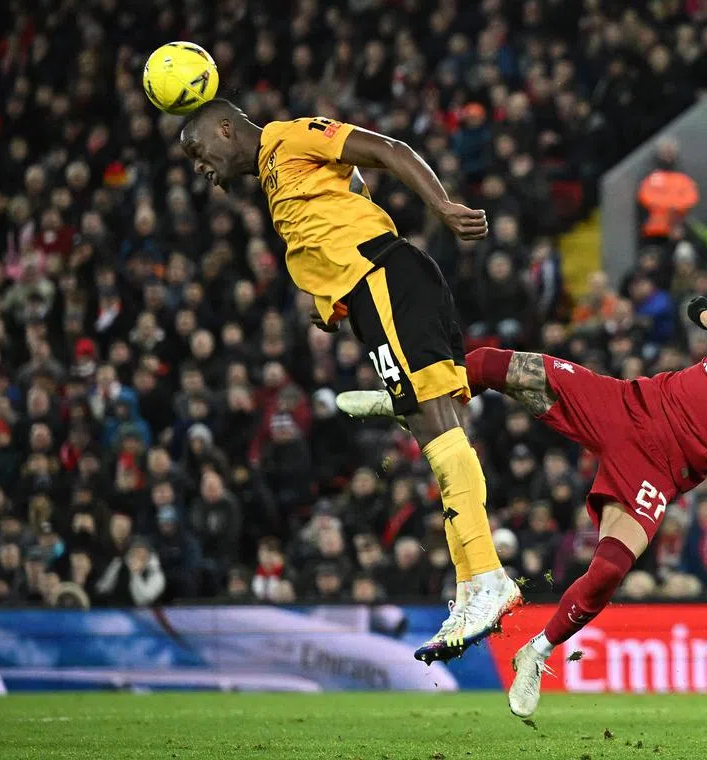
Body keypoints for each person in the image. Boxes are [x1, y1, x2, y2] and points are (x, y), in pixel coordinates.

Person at [336, 263, 707, 716]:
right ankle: (406, 397)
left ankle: (535, 652)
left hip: (663, 468)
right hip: (630, 404)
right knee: (507, 365)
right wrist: (699, 310)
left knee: (608, 570)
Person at [179, 99, 518, 661]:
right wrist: (327, 297)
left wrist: (441, 206)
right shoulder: (274, 175)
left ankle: (488, 577)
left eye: (198, 150)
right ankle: (470, 586)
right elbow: (353, 191)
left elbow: (387, 151)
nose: (199, 165)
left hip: (387, 278)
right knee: (434, 437)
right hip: (367, 293)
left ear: (224, 127)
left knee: (437, 427)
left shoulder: (289, 137)